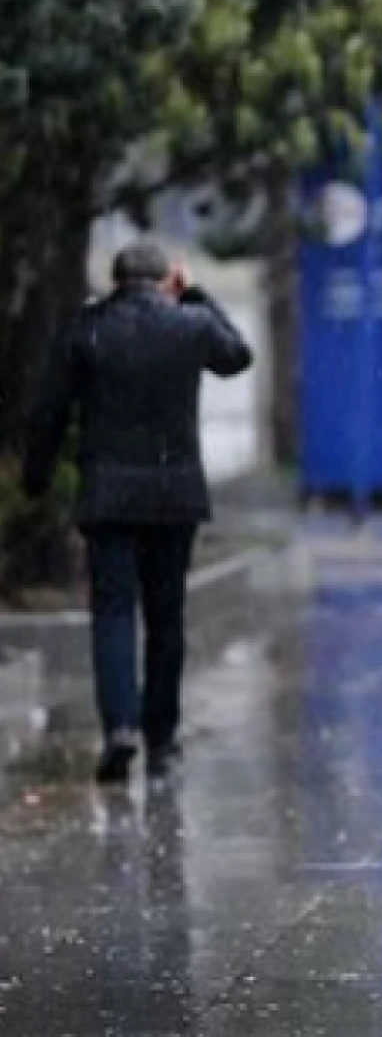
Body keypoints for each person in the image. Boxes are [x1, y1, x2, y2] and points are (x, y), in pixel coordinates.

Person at [23, 243, 253, 784]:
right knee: (167, 616)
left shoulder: (88, 328)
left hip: (108, 496)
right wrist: (195, 294)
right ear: (167, 279)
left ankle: (120, 728)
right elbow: (238, 356)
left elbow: (50, 409)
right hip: (175, 496)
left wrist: (36, 476)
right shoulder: (191, 325)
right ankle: (163, 738)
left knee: (113, 611)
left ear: (116, 279)